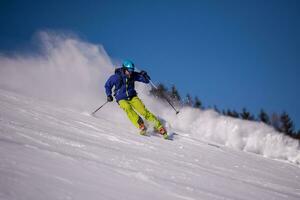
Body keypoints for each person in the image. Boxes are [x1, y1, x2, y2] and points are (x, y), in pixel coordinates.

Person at [104, 59, 168, 139]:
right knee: (127, 108)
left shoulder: (133, 75)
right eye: (129, 70)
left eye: (132, 70)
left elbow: (146, 81)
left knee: (143, 111)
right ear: (124, 69)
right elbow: (107, 85)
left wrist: (144, 75)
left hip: (132, 97)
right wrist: (109, 95)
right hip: (121, 98)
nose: (131, 72)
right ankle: (140, 125)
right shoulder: (116, 77)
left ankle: (159, 127)